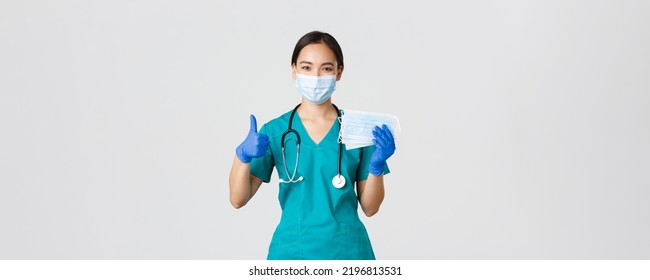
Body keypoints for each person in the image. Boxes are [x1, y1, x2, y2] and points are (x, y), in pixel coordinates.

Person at [228, 31, 396, 260]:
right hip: (292, 254)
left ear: (339, 72)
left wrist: (376, 167)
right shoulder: (275, 131)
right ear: (294, 69)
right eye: (307, 67)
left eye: (326, 68)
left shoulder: (358, 130)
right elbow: (238, 199)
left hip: (348, 254)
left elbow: (371, 207)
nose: (316, 76)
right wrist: (242, 157)